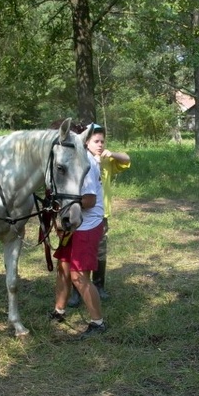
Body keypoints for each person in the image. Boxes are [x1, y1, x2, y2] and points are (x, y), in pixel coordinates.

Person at [48, 129, 106, 339]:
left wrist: (63, 201)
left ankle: (97, 323)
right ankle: (59, 311)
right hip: (74, 223)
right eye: (95, 141)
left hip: (87, 225)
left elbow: (89, 201)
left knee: (79, 276)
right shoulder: (77, 159)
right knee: (63, 268)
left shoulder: (87, 165)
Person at [67, 123, 131, 306]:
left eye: (102, 141)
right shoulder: (80, 160)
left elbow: (126, 159)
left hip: (101, 216)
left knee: (99, 252)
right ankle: (77, 291)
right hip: (80, 213)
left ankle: (99, 285)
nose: (100, 144)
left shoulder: (106, 161)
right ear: (86, 142)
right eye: (96, 141)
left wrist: (112, 154)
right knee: (76, 252)